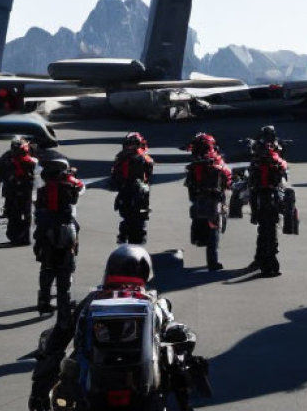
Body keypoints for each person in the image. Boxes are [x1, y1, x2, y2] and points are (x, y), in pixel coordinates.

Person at [29, 244, 211, 411]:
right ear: (145, 272)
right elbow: (176, 331)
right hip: (143, 390)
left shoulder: (91, 301)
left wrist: (39, 391)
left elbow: (59, 335)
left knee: (62, 368)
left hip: (91, 390)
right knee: (174, 360)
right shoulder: (153, 302)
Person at [34, 158, 85, 323]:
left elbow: (39, 214)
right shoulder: (70, 187)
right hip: (65, 230)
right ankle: (63, 305)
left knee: (46, 265)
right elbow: (80, 189)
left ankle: (44, 300)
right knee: (66, 267)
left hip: (45, 231)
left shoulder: (43, 190)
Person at [246, 125, 298, 277]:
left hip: (261, 196)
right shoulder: (274, 151)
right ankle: (267, 262)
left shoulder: (259, 150)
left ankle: (260, 259)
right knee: (269, 229)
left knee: (263, 229)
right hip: (270, 195)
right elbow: (283, 169)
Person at [183, 133, 231, 271]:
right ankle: (213, 262)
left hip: (199, 201)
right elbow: (228, 179)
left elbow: (190, 188)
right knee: (214, 232)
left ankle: (209, 256)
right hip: (215, 201)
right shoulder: (216, 162)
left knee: (206, 228)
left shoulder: (193, 166)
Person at [0, 136, 39, 245]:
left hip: (28, 190)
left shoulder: (34, 157)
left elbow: (41, 171)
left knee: (29, 212)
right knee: (11, 212)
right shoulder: (7, 157)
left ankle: (26, 236)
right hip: (11, 189)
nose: (18, 152)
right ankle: (14, 234)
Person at [109, 131, 155, 244]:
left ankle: (124, 236)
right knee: (136, 215)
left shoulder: (122, 156)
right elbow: (149, 171)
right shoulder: (139, 156)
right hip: (134, 192)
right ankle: (126, 236)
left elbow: (113, 177)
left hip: (130, 191)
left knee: (132, 216)